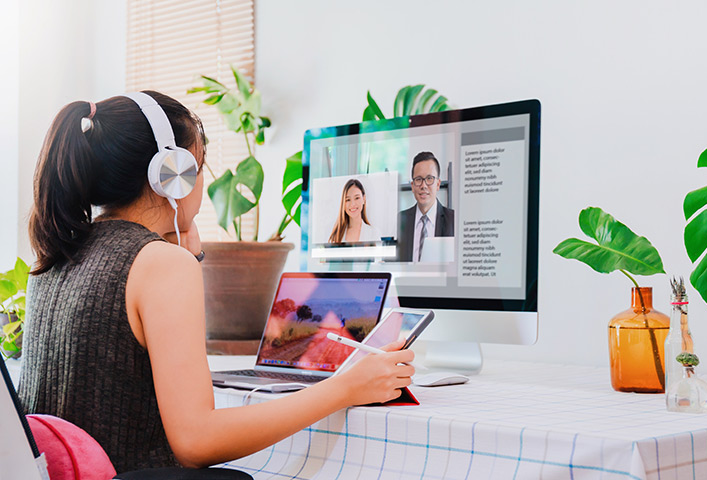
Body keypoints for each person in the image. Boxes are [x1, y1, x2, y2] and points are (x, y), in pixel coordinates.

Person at [18, 91, 414, 472]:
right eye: (199, 166)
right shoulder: (159, 264)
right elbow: (196, 441)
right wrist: (347, 387)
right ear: (173, 176)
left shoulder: (57, 254)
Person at [396, 151, 455, 262]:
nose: (423, 186)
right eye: (418, 179)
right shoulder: (401, 220)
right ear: (412, 186)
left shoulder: (453, 220)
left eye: (429, 179)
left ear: (437, 184)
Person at [327, 178, 380, 244]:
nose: (352, 204)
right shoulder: (335, 235)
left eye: (357, 198)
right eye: (348, 200)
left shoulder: (373, 234)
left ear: (364, 199)